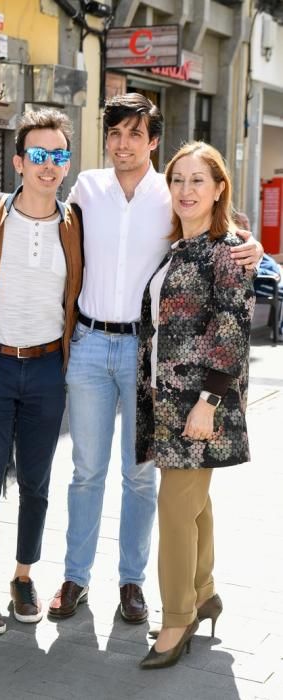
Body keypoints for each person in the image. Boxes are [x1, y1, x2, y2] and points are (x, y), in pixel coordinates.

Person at [48, 94, 262, 624]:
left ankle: (132, 582)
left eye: (134, 134)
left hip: (150, 357)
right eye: (114, 133)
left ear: (152, 141)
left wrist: (256, 248)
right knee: (85, 471)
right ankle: (76, 576)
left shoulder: (170, 191)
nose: (123, 144)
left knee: (140, 474)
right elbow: (40, 214)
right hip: (92, 345)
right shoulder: (87, 188)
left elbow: (223, 228)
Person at [0, 108, 83, 635]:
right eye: (40, 156)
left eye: (59, 156)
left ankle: (23, 576)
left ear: (67, 165)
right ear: (19, 162)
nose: (49, 166)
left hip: (49, 368)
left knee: (37, 482)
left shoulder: (75, 224)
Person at [136, 141, 255, 669]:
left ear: (219, 188)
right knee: (193, 503)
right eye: (177, 179)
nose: (186, 190)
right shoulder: (179, 245)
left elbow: (231, 328)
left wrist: (207, 400)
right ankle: (205, 592)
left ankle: (178, 616)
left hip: (201, 400)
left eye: (198, 180)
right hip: (169, 398)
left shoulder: (226, 247)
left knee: (175, 510)